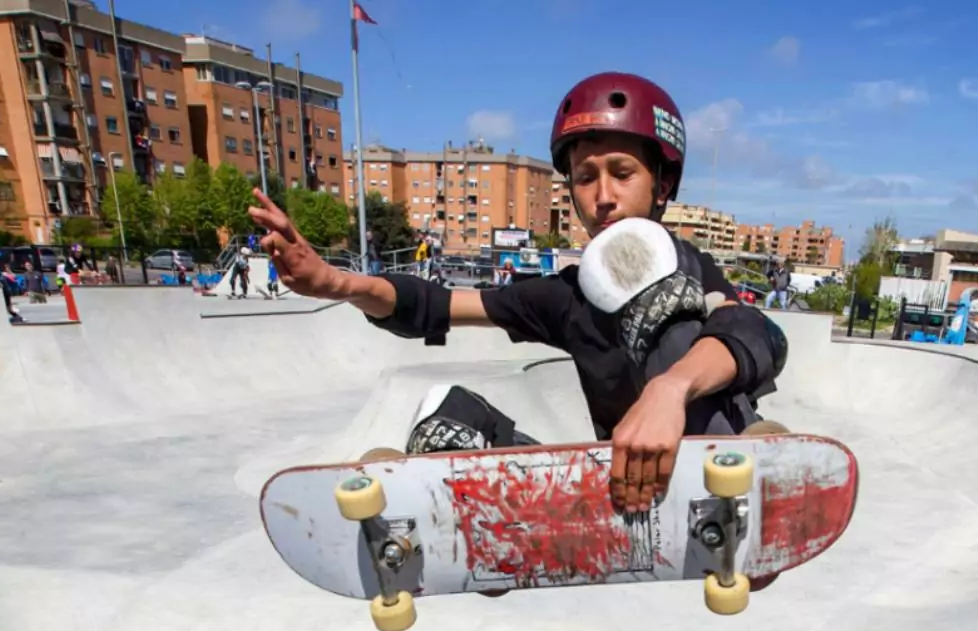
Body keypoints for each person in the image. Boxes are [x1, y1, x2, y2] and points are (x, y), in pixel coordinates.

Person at [248, 71, 789, 515]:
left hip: (713, 466)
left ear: (662, 185)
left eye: (622, 173)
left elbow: (757, 333)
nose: (602, 196)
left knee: (661, 289)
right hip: (619, 489)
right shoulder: (565, 297)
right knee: (442, 416)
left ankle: (742, 487)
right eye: (584, 177)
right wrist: (337, 283)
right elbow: (437, 305)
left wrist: (669, 391)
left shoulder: (691, 266)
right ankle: (489, 529)